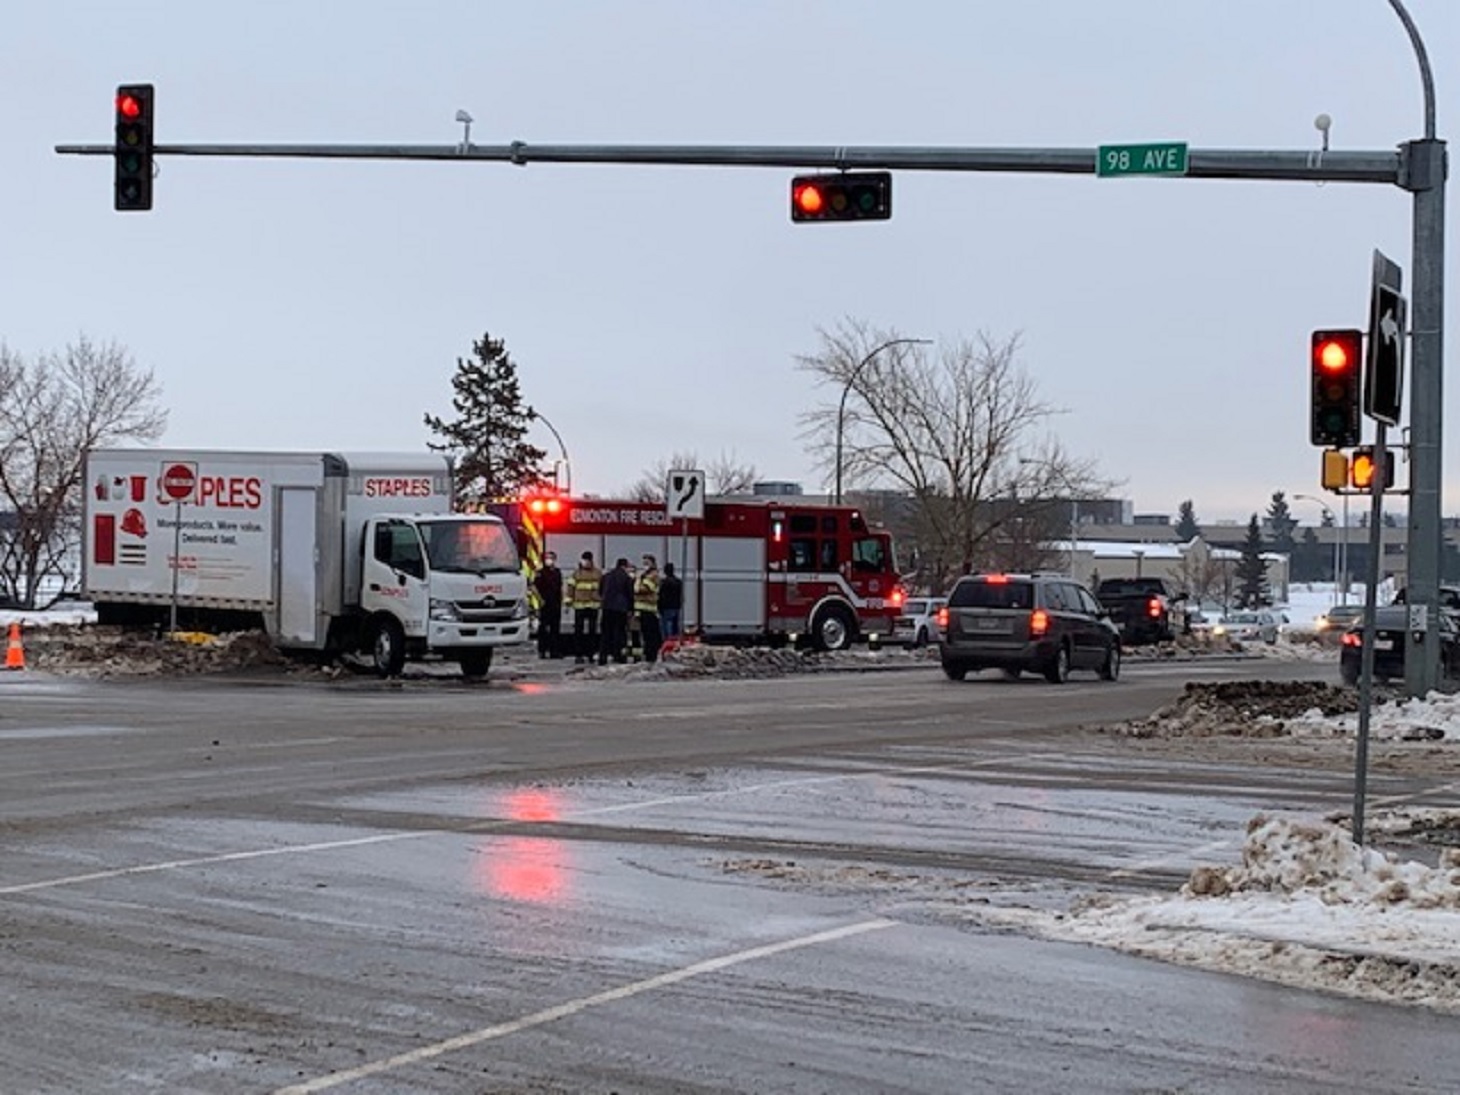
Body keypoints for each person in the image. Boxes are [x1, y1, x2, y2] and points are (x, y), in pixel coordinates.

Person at [598, 557, 634, 665]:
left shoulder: (606, 576)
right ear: (624, 566)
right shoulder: (626, 578)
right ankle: (618, 656)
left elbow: (600, 591)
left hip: (607, 607)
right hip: (620, 609)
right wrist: (631, 609)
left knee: (605, 633)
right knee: (619, 633)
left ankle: (602, 657)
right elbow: (630, 594)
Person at [568, 551, 603, 664]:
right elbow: (570, 588)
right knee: (578, 631)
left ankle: (590, 654)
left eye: (587, 560)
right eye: (584, 560)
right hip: (580, 606)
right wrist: (569, 601)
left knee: (592, 632)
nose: (586, 562)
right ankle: (578, 654)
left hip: (593, 606)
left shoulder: (598, 573)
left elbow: (602, 588)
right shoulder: (576, 573)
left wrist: (601, 601)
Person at [532, 551, 563, 658]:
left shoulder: (557, 572)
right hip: (545, 604)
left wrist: (561, 601)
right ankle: (542, 651)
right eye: (547, 558)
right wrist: (540, 600)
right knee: (543, 629)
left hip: (556, 604)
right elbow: (534, 587)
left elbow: (559, 587)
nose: (549, 560)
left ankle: (554, 651)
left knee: (555, 629)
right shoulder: (540, 573)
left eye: (551, 558)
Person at [634, 554, 663, 663]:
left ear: (653, 564)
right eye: (644, 563)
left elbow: (643, 589)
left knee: (650, 635)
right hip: (643, 610)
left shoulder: (653, 575)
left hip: (649, 610)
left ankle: (651, 656)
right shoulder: (645, 575)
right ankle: (649, 655)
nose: (645, 565)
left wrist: (638, 581)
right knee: (646, 634)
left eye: (647, 563)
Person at [658, 561, 683, 640]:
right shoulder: (678, 581)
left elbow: (661, 595)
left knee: (667, 624)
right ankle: (675, 639)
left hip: (666, 607)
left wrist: (659, 606)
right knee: (675, 625)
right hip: (676, 606)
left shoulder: (664, 582)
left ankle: (668, 640)